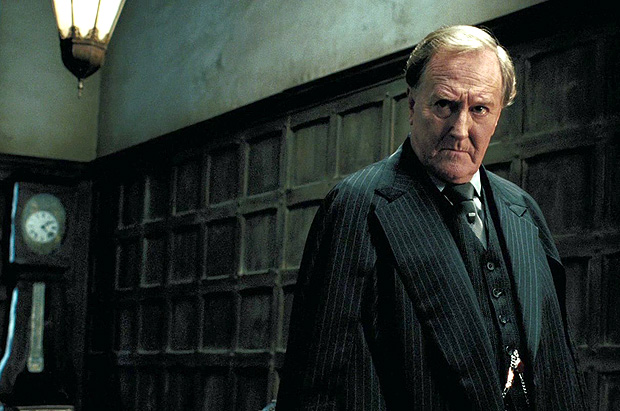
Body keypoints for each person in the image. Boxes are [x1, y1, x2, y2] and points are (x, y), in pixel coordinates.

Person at [276, 25, 587, 410]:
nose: (460, 130)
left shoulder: (523, 209)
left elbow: (557, 367)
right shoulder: (356, 206)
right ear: (412, 105)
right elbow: (321, 384)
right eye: (444, 105)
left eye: (479, 109)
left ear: (497, 116)